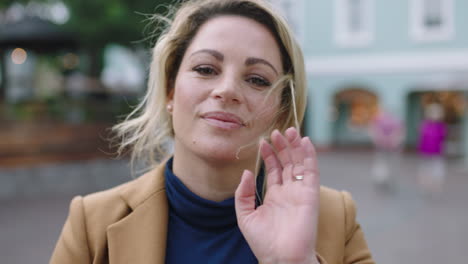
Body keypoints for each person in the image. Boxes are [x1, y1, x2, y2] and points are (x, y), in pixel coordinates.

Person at [51, 0, 374, 263]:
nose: (228, 89)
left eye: (257, 79)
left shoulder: (335, 217)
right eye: (206, 69)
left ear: (281, 112)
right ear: (170, 91)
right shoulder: (91, 223)